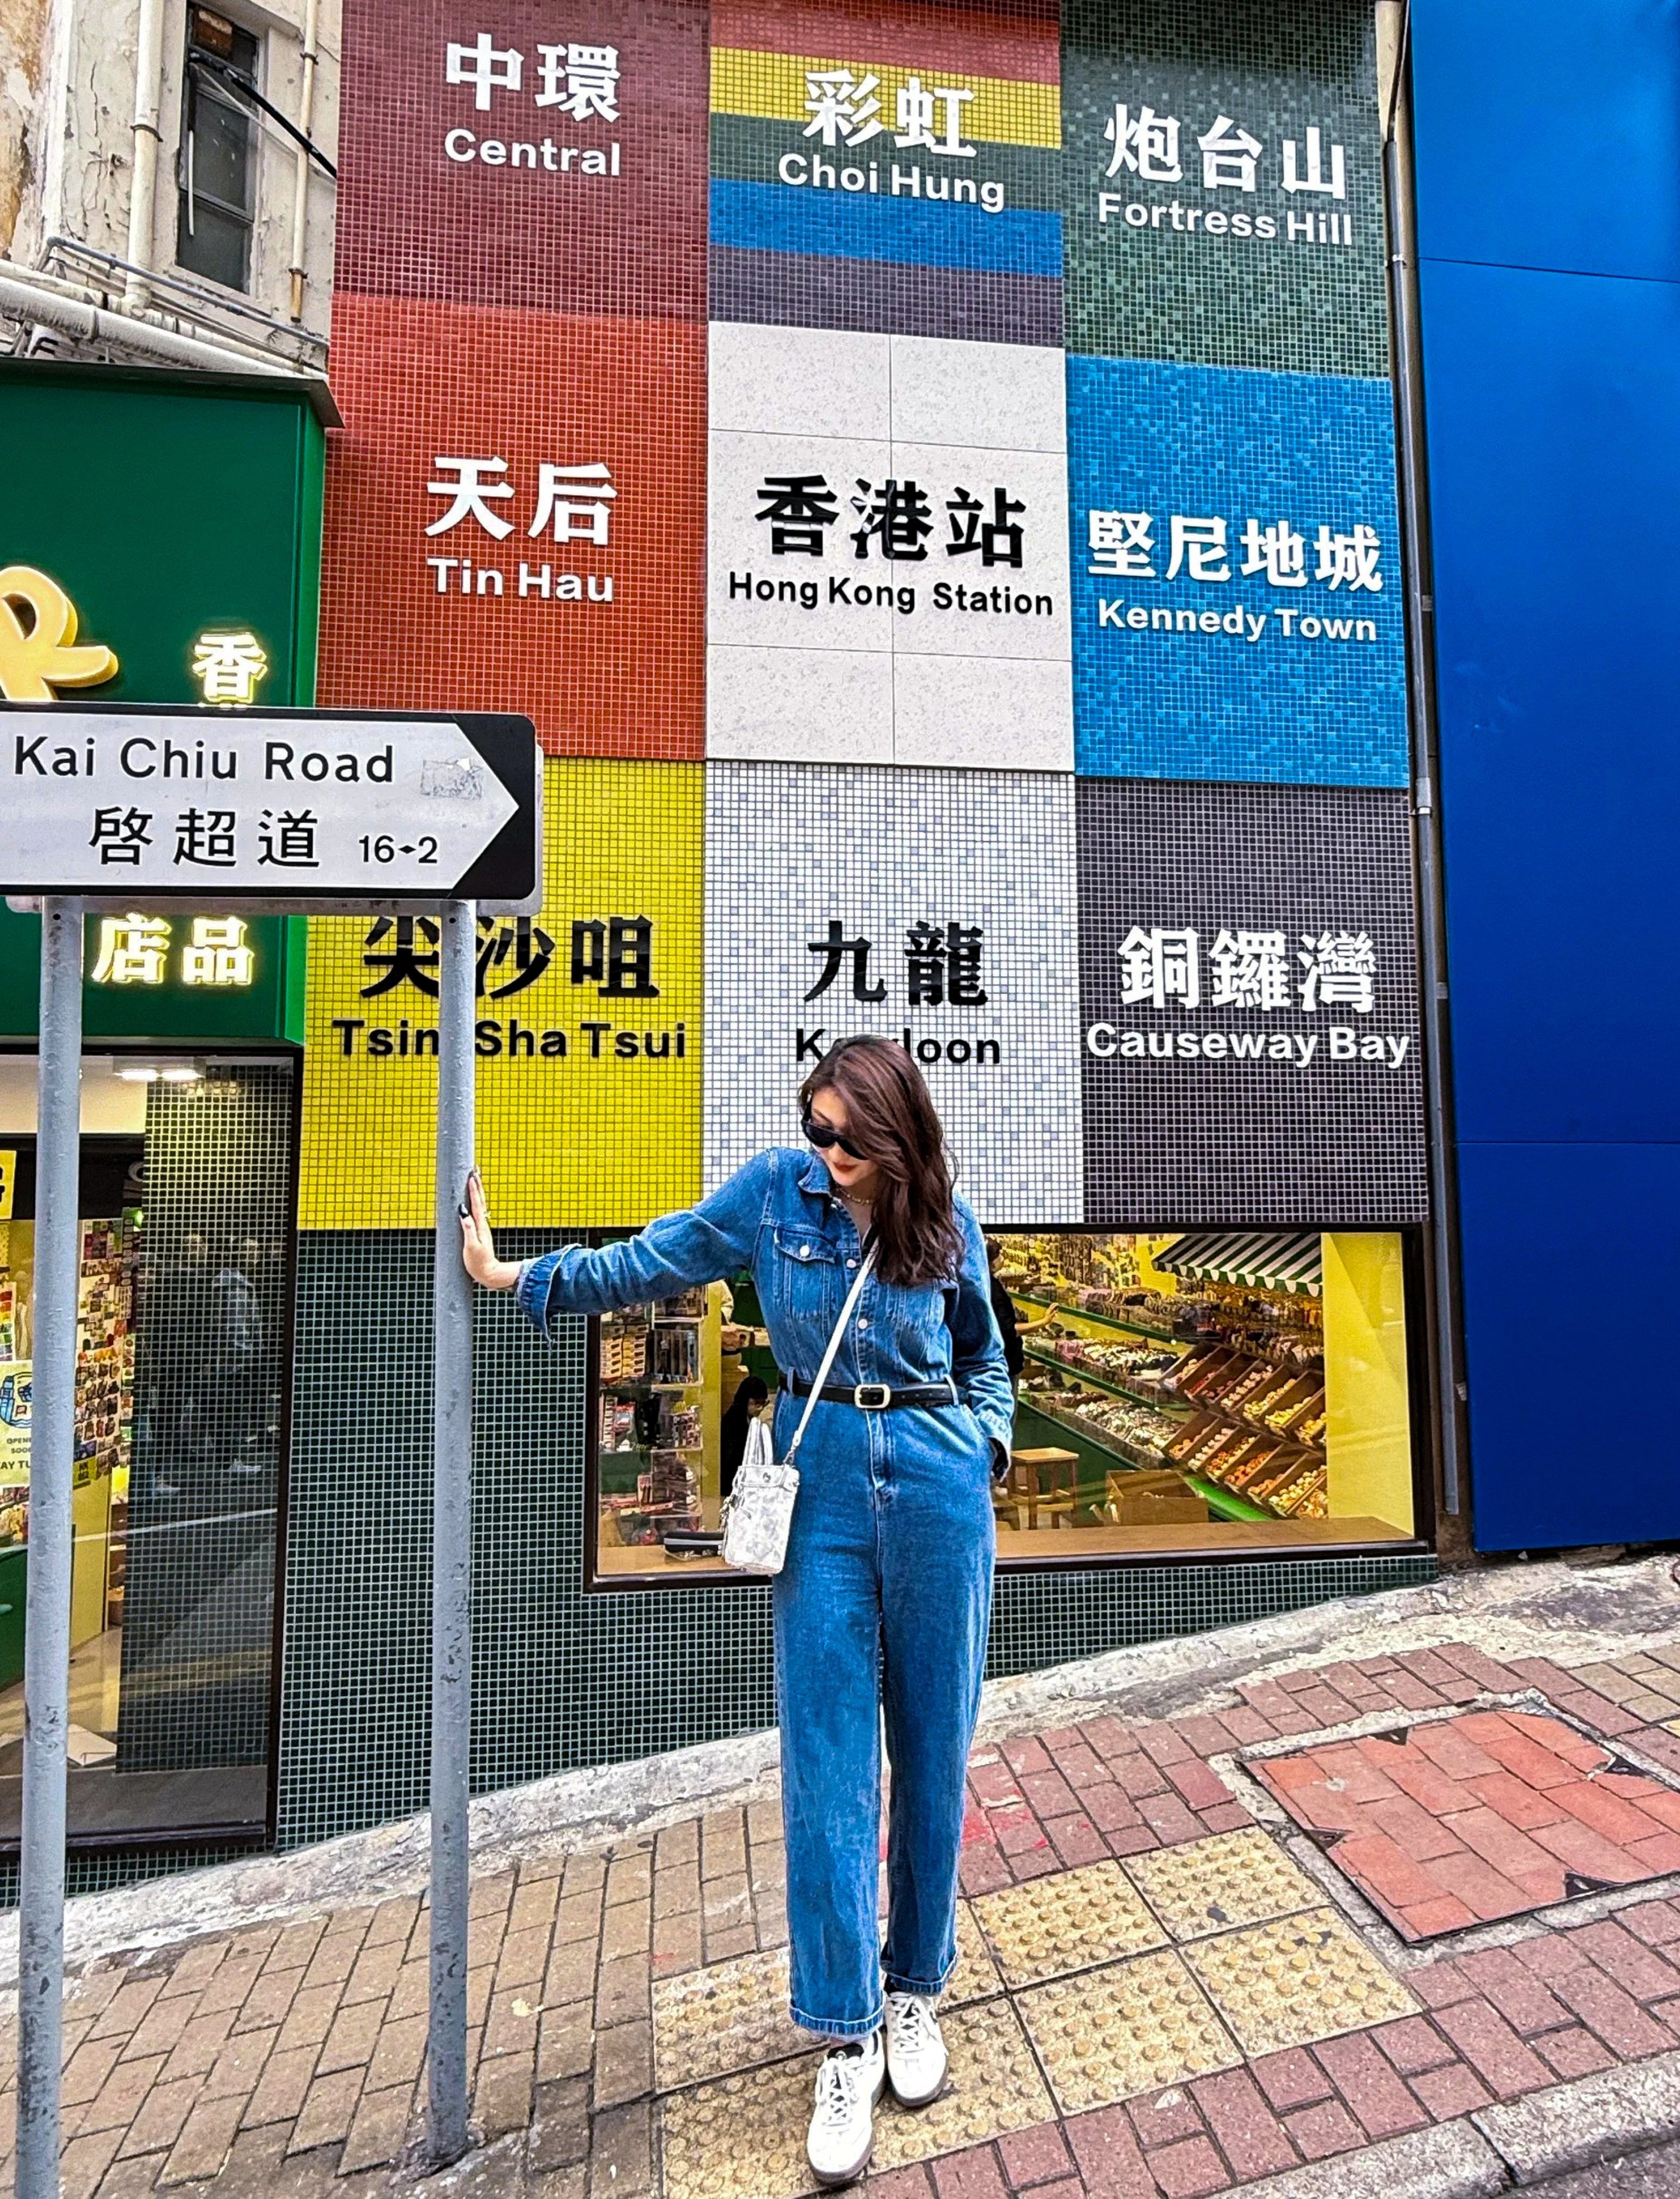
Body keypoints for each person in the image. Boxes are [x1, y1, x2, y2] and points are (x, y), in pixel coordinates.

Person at [462, 1035, 1013, 2187]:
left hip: (937, 1486)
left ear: (896, 1134)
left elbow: (983, 1354)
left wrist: (987, 1447)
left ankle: (916, 1991)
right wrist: (522, 1278)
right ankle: (845, 2027)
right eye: (814, 1129)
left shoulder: (939, 1215)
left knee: (933, 1745)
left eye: (846, 1137)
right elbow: (656, 1257)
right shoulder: (772, 1192)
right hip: (818, 1491)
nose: (825, 1152)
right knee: (825, 1761)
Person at [718, 1372, 769, 1501]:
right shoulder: (733, 1425)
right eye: (757, 1403)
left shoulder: (745, 1419)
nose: (760, 1407)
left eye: (764, 1403)